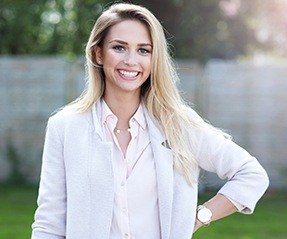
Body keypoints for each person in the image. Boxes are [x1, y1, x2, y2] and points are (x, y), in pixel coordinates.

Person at [31, 2, 269, 239]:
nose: (131, 60)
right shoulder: (64, 127)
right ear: (98, 53)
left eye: (143, 50)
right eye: (119, 47)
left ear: (154, 59)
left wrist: (199, 217)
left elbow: (251, 174)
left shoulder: (178, 124)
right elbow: (49, 224)